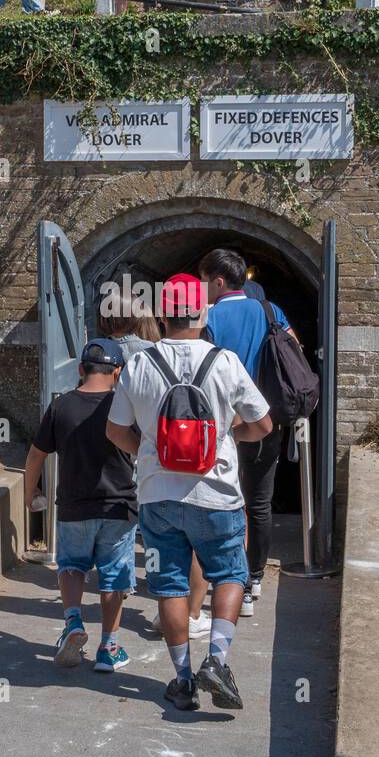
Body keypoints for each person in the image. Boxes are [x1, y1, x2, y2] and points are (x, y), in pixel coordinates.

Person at [107, 274, 273, 711]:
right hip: (217, 494)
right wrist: (226, 434)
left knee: (170, 586)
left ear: (162, 315)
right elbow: (263, 424)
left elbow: (115, 430)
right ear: (202, 313)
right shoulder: (225, 362)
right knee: (232, 575)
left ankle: (181, 679)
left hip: (158, 498)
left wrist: (149, 452)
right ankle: (216, 660)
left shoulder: (140, 364)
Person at [98, 286, 211, 641]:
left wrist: (140, 450)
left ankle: (126, 585)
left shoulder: (103, 352)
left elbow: (110, 419)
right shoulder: (153, 353)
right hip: (177, 459)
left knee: (143, 533)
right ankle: (189, 616)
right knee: (190, 543)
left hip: (127, 453)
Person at [24, 339, 137, 673]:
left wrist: (30, 493)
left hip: (74, 506)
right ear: (117, 371)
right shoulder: (123, 405)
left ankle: (73, 623)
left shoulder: (61, 407)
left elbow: (35, 454)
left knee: (72, 566)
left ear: (80, 369)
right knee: (114, 577)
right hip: (118, 507)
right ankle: (109, 648)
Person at [198, 248, 299, 618]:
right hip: (263, 421)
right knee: (259, 503)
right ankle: (253, 580)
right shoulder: (271, 311)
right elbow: (294, 351)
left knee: (218, 503)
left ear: (219, 281)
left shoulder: (207, 317)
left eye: (204, 281)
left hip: (220, 426)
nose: (202, 289)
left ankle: (222, 580)